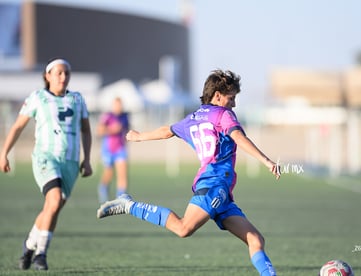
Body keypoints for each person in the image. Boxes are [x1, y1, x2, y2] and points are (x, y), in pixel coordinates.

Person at [97, 69, 280, 275]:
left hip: (221, 190)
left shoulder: (193, 117)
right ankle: (129, 205)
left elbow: (167, 130)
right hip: (214, 183)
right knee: (183, 228)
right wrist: (265, 160)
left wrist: (140, 136)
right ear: (218, 95)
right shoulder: (223, 114)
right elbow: (237, 136)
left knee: (255, 240)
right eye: (232, 98)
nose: (234, 104)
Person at [0, 58, 93, 270]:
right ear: (47, 76)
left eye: (66, 73)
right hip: (45, 157)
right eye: (58, 73)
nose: (63, 77)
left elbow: (86, 130)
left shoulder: (77, 99)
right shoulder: (38, 98)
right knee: (54, 200)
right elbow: (17, 127)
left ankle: (29, 244)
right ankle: (41, 254)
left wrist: (87, 159)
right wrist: (4, 153)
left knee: (53, 207)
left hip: (70, 162)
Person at [97, 97, 129, 203]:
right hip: (108, 149)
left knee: (122, 173)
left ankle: (121, 198)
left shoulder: (125, 117)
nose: (118, 107)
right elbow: (99, 131)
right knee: (109, 173)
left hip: (120, 149)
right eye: (116, 105)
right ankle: (103, 187)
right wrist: (111, 129)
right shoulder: (107, 116)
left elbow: (127, 130)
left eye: (120, 105)